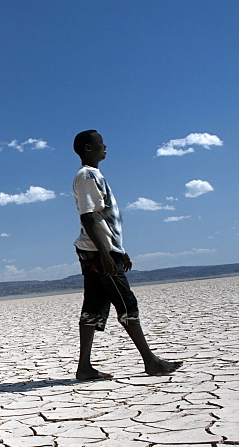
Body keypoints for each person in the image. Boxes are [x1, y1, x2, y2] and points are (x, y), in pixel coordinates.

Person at [71, 129, 182, 380]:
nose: (105, 146)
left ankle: (84, 368)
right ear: (88, 148)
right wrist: (106, 254)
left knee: (94, 307)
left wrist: (119, 250)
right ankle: (151, 361)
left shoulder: (93, 175)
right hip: (98, 253)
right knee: (126, 302)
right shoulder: (87, 175)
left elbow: (101, 220)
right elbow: (88, 217)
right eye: (100, 143)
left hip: (99, 251)